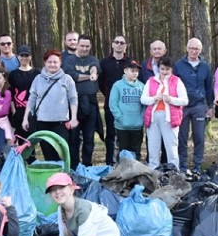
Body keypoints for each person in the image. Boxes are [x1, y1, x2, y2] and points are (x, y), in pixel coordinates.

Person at [22, 50, 78, 161]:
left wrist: (74, 118)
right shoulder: (38, 79)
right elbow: (32, 99)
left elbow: (73, 99)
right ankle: (52, 176)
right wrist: (25, 118)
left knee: (62, 152)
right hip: (42, 122)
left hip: (61, 122)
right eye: (49, 62)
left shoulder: (67, 79)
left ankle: (63, 175)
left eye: (55, 62)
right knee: (48, 153)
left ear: (60, 63)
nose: (52, 64)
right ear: (45, 63)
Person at [173, 38, 213, 172]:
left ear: (200, 50)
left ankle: (197, 164)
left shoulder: (205, 66)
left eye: (197, 49)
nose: (194, 51)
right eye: (192, 48)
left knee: (199, 136)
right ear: (187, 48)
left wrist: (210, 107)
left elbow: (209, 88)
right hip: (182, 106)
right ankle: (182, 164)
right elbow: (173, 85)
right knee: (182, 136)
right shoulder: (178, 65)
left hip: (199, 106)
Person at [141, 56, 188, 169]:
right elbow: (143, 99)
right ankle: (153, 170)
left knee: (171, 146)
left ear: (171, 69)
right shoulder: (151, 81)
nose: (165, 72)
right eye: (162, 69)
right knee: (153, 146)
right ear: (159, 69)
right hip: (153, 118)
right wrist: (153, 99)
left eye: (167, 69)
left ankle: (174, 170)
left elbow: (185, 100)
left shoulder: (177, 81)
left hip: (170, 118)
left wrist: (171, 100)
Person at [99, 35, 136, 164]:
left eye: (122, 43)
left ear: (125, 45)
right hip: (110, 105)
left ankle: (126, 162)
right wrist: (111, 96)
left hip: (127, 106)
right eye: (117, 42)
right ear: (112, 44)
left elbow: (135, 82)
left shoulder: (131, 63)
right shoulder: (104, 63)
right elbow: (101, 83)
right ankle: (110, 161)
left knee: (125, 135)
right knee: (110, 134)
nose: (119, 44)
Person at [70, 34, 102, 168]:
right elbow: (73, 76)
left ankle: (87, 166)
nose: (84, 48)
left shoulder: (93, 59)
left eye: (87, 46)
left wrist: (93, 73)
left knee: (89, 138)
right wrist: (89, 76)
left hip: (91, 103)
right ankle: (74, 166)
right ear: (77, 45)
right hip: (74, 105)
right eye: (82, 46)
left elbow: (95, 67)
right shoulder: (69, 60)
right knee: (74, 138)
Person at [108, 60, 145, 159]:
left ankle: (135, 172)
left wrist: (141, 119)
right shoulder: (118, 85)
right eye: (132, 71)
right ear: (125, 71)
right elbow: (113, 104)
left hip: (137, 126)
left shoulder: (141, 86)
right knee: (123, 152)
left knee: (136, 152)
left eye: (136, 71)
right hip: (122, 126)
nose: (135, 73)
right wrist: (120, 118)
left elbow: (145, 105)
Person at [8, 45, 40, 145]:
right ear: (18, 57)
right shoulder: (13, 74)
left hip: (32, 110)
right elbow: (11, 93)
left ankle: (31, 159)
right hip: (18, 110)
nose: (24, 58)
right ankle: (20, 159)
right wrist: (13, 111)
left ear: (30, 57)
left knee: (32, 138)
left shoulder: (36, 73)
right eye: (22, 55)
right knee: (20, 138)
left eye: (27, 55)